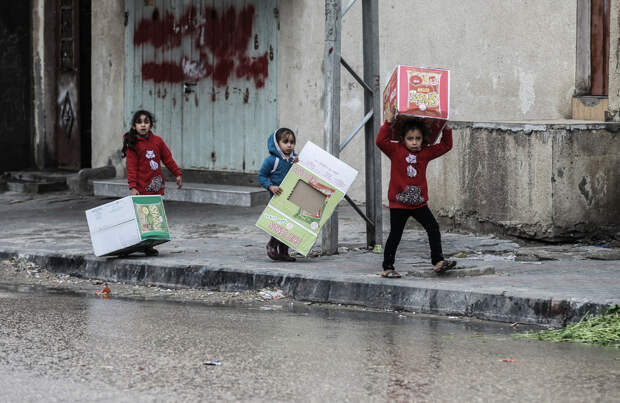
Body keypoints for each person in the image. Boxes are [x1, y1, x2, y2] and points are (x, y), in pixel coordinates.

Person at [376, 118, 456, 278]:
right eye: (410, 139)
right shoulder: (395, 150)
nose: (414, 142)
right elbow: (380, 141)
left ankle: (438, 261)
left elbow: (446, 146)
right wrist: (388, 123)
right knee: (395, 234)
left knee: (433, 227)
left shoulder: (425, 152)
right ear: (402, 139)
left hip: (419, 204)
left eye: (417, 139)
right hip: (398, 204)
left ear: (423, 139)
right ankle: (387, 268)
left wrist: (447, 129)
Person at [121, 110, 182, 256]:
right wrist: (133, 186)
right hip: (141, 189)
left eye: (146, 122)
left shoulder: (158, 141)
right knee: (142, 220)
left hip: (156, 188)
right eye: (139, 122)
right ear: (134, 126)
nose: (143, 125)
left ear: (151, 125)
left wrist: (177, 173)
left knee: (153, 219)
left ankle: (148, 246)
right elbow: (131, 167)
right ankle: (132, 246)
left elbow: (167, 159)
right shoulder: (133, 144)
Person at [257, 127, 298, 261]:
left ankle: (284, 252)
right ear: (277, 144)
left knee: (290, 224)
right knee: (280, 223)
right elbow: (261, 176)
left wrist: (299, 164)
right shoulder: (272, 161)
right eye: (285, 142)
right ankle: (272, 245)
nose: (289, 145)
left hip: (292, 197)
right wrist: (270, 186)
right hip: (277, 197)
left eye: (292, 142)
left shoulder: (294, 159)